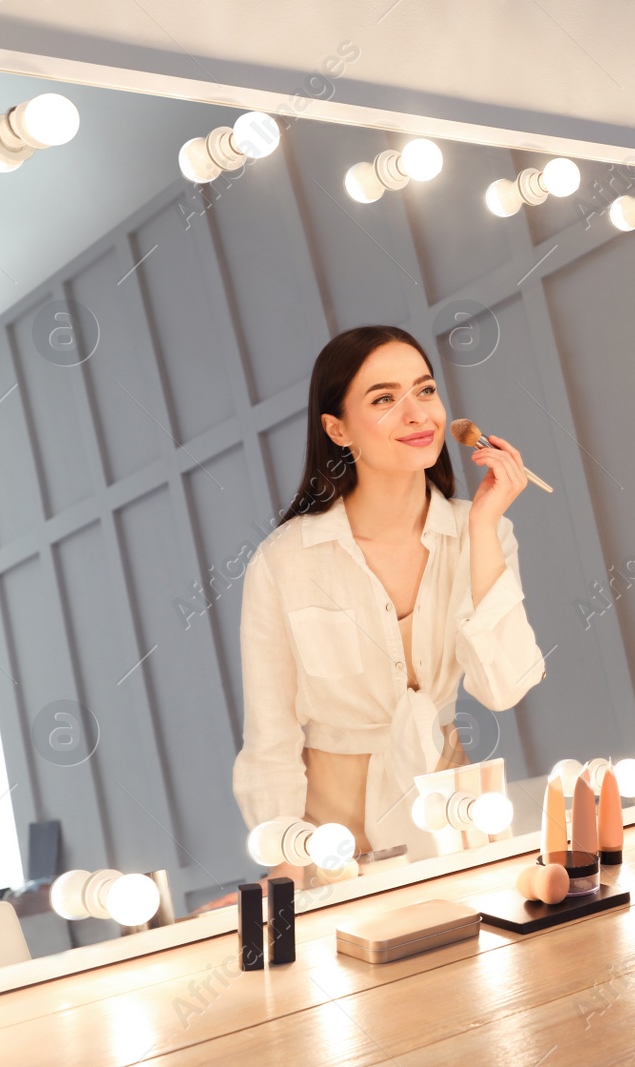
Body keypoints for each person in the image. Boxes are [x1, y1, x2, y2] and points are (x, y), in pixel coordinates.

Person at [232, 324, 545, 885]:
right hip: (330, 837)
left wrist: (483, 525)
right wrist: (284, 882)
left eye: (425, 391)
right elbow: (271, 739)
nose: (418, 414)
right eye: (384, 399)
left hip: (454, 810)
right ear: (337, 428)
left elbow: (504, 687)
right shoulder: (284, 562)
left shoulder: (484, 532)